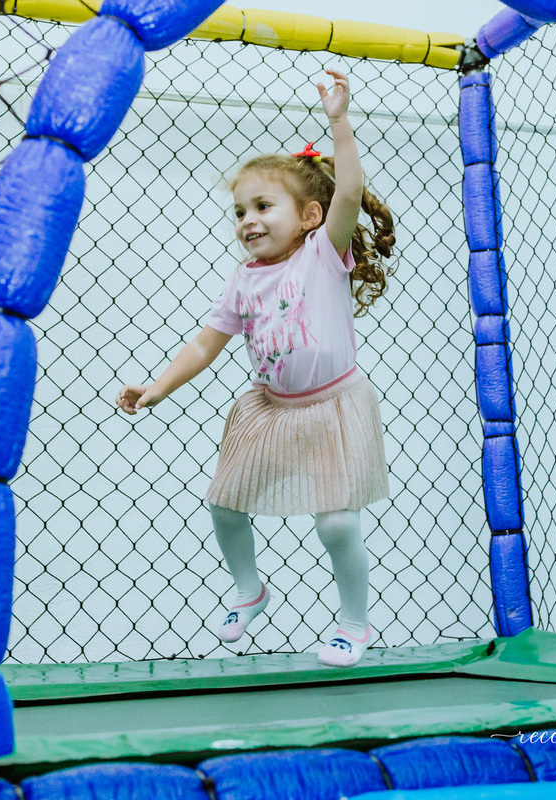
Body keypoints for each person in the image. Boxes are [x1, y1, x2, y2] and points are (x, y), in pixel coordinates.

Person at [116, 68, 395, 667]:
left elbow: (349, 192)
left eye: (263, 206)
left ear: (310, 217)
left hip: (332, 406)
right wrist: (158, 387)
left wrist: (339, 123)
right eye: (240, 210)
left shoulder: (323, 255)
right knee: (224, 504)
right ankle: (250, 590)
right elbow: (205, 345)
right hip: (268, 410)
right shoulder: (243, 280)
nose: (248, 219)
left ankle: (354, 623)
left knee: (337, 525)